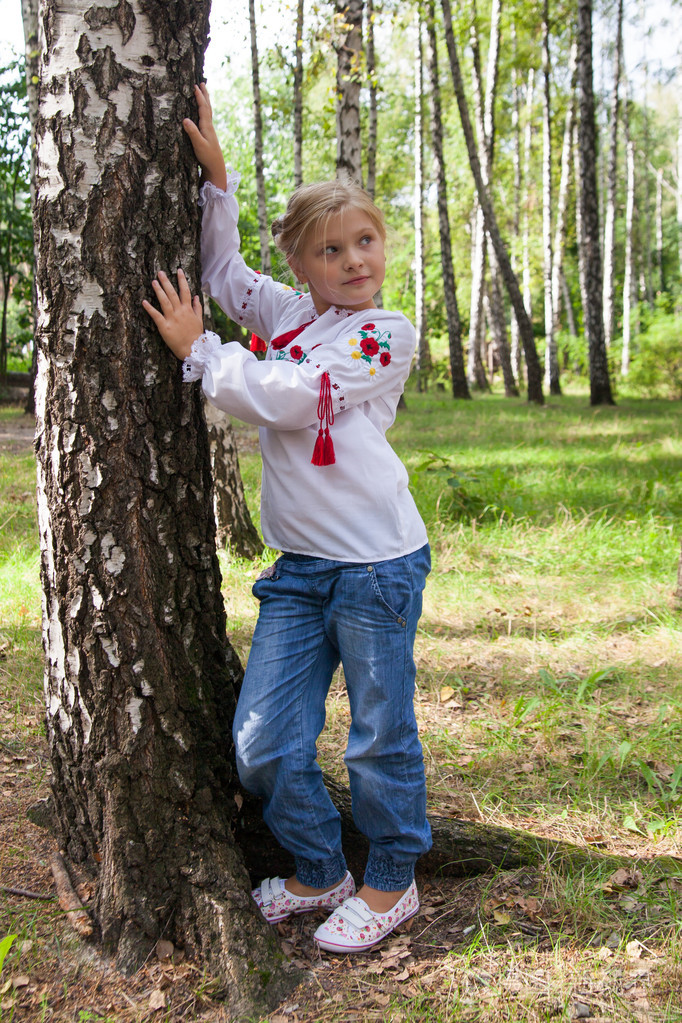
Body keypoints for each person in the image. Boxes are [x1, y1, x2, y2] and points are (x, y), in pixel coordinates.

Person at [143, 83, 432, 954]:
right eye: (330, 249)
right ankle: (319, 866)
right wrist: (218, 186)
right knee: (262, 739)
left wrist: (201, 352)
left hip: (378, 563)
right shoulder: (298, 315)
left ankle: (390, 879)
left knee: (381, 734)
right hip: (303, 569)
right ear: (302, 264)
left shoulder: (384, 334)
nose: (353, 260)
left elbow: (294, 399)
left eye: (365, 241)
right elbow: (228, 280)